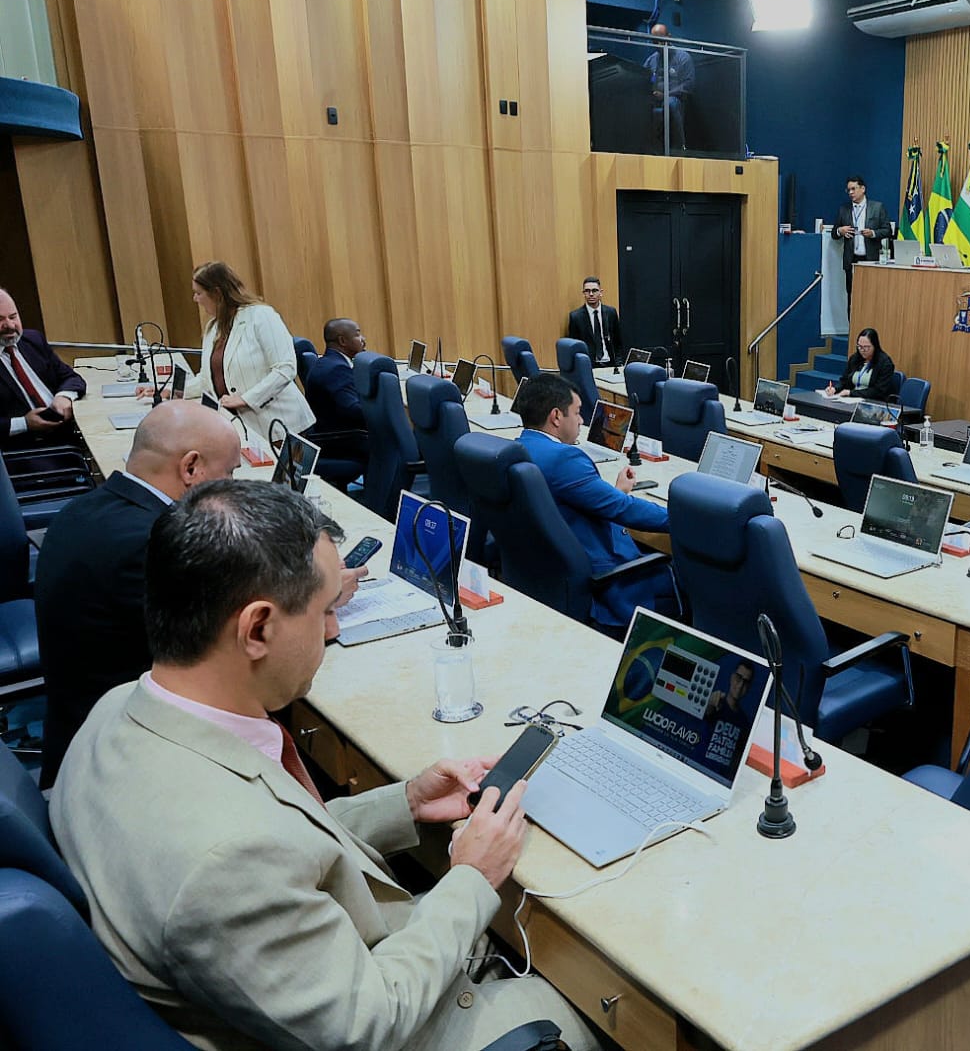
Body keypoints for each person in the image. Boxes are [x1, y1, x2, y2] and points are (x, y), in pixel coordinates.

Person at [49, 481, 596, 1050]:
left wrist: (403, 802)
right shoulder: (223, 867)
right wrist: (471, 877)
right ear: (257, 628)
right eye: (326, 611)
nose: (333, 631)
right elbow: (367, 1024)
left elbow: (275, 835)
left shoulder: (115, 712)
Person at [34, 402, 243, 789]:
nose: (235, 487)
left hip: (74, 725)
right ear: (191, 468)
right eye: (230, 472)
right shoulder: (150, 542)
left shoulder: (84, 508)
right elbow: (227, 648)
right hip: (115, 765)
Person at [514, 373, 674, 629]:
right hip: (607, 580)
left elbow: (573, 502)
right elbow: (625, 510)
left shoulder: (520, 448)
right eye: (577, 413)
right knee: (690, 579)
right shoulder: (564, 459)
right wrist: (682, 520)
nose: (582, 420)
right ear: (556, 417)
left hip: (546, 574)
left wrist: (617, 492)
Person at [193, 260, 315, 444]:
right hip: (243, 429)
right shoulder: (213, 327)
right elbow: (207, 378)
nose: (195, 299)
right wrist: (170, 391)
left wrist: (246, 399)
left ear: (217, 293)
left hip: (282, 426)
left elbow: (285, 368)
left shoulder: (261, 316)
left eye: (199, 293)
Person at [0, 286, 86, 448]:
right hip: (25, 450)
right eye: (0, 320)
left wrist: (64, 397)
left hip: (68, 433)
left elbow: (71, 378)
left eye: (13, 316)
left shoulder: (32, 340)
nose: (10, 325)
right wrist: (24, 423)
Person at [304, 317, 370, 463]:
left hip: (329, 433)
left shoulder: (327, 362)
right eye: (358, 335)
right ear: (342, 341)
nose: (363, 339)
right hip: (342, 441)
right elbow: (354, 410)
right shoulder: (337, 369)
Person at [830, 176, 891, 304]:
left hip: (871, 260)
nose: (851, 193)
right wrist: (840, 231)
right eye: (848, 190)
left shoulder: (877, 207)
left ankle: (870, 324)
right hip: (851, 260)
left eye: (853, 189)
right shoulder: (844, 210)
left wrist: (873, 233)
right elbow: (834, 234)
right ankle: (852, 324)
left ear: (863, 189)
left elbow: (887, 231)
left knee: (871, 297)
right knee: (852, 297)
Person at [643, 23, 695, 151]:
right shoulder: (651, 60)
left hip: (675, 99)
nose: (658, 44)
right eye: (655, 41)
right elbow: (642, 80)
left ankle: (679, 147)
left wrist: (666, 94)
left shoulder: (683, 57)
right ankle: (649, 149)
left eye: (660, 39)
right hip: (654, 100)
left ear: (669, 36)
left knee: (670, 103)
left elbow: (688, 85)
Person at [824, 328, 897, 401]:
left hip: (873, 402)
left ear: (875, 346)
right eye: (859, 346)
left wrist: (851, 393)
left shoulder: (885, 363)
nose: (862, 350)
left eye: (866, 347)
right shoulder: (855, 358)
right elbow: (844, 380)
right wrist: (835, 389)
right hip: (851, 400)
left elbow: (878, 391)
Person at [564, 276, 622, 367]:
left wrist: (619, 364)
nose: (591, 294)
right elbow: (575, 346)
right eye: (587, 291)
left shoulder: (611, 313)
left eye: (594, 290)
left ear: (600, 292)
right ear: (583, 293)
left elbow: (617, 341)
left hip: (610, 364)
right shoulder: (576, 317)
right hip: (589, 366)